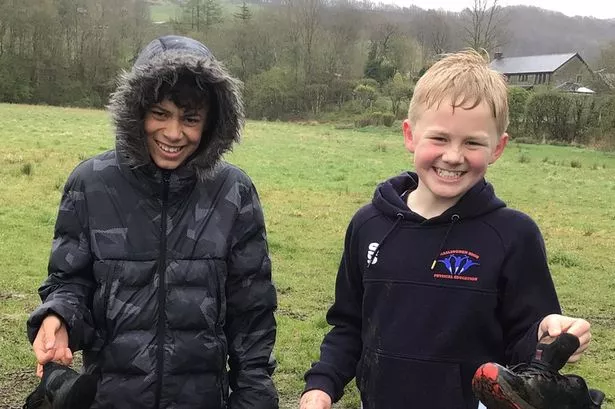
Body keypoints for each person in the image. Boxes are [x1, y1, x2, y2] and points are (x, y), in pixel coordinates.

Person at [299, 50, 592, 409]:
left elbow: (525, 352)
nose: (453, 156)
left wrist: (548, 336)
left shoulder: (514, 235)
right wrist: (322, 385)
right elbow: (348, 324)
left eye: (472, 142)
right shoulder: (368, 225)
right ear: (410, 135)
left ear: (497, 147)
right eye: (439, 138)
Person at [26, 35, 278, 409]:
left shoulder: (233, 192)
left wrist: (255, 401)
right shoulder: (91, 183)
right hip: (111, 399)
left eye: (190, 119)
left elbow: (252, 314)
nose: (174, 134)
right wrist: (59, 316)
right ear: (137, 111)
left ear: (210, 123)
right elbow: (70, 281)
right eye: (160, 114)